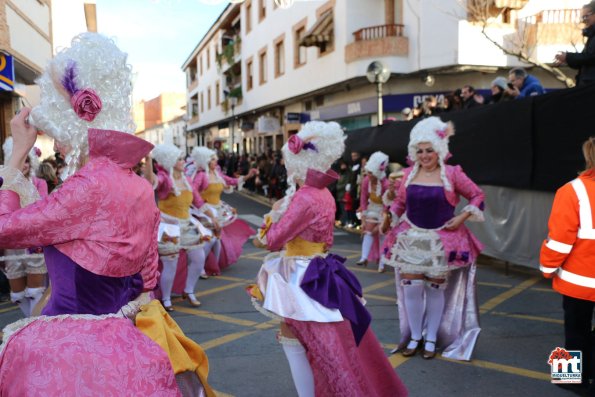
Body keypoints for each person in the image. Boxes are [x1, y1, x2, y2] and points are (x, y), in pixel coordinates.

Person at [0, 33, 213, 396]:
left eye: (57, 130)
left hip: (72, 356)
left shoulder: (87, 187)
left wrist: (16, 153)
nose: (58, 143)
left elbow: (5, 230)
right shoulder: (137, 186)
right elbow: (146, 279)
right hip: (126, 345)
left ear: (74, 123)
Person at [248, 121, 407, 397]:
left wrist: (273, 215)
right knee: (307, 339)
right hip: (318, 268)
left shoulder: (303, 198)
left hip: (300, 275)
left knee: (298, 341)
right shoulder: (323, 194)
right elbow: (325, 238)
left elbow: (272, 240)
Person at [385, 116, 485, 361]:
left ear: (439, 150)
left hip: (442, 241)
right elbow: (399, 203)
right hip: (412, 238)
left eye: (429, 150)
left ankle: (431, 339)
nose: (424, 155)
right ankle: (415, 336)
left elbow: (477, 196)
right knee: (411, 289)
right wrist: (390, 215)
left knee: (434, 289)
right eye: (419, 151)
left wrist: (462, 217)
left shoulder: (452, 173)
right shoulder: (407, 175)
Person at [540, 136, 595, 396]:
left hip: (580, 283)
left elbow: (559, 242)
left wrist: (547, 269)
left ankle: (571, 379)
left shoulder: (572, 191)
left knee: (575, 332)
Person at [150, 143, 215, 311]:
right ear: (170, 161)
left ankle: (189, 290)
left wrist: (213, 218)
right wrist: (148, 161)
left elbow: (199, 201)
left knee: (199, 258)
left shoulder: (187, 180)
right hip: (169, 227)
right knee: (170, 264)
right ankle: (166, 298)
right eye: (179, 159)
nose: (182, 161)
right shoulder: (165, 179)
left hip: (187, 225)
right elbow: (152, 181)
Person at [190, 146, 256, 275]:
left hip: (218, 210)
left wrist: (248, 175)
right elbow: (193, 192)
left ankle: (214, 265)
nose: (216, 162)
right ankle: (201, 266)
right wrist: (203, 208)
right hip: (205, 211)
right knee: (210, 239)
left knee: (217, 239)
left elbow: (232, 181)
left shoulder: (217, 174)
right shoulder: (201, 176)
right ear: (206, 161)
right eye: (213, 159)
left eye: (216, 159)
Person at [1, 137, 47, 317]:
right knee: (18, 294)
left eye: (27, 160)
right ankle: (29, 322)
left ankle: (32, 327)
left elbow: (41, 208)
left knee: (36, 292)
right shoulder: (4, 184)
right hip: (11, 246)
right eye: (20, 159)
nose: (24, 164)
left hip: (33, 243)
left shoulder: (39, 183)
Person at [356, 151, 391, 272]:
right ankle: (363, 257)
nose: (368, 174)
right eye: (368, 172)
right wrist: (363, 218)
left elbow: (389, 205)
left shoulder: (386, 184)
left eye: (371, 172)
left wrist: (382, 222)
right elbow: (363, 198)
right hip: (372, 208)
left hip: (384, 210)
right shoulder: (366, 181)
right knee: (368, 230)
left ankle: (382, 263)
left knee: (381, 234)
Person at [554, 1, 595, 87]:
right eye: (583, 17)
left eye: (586, 16)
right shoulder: (591, 36)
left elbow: (591, 57)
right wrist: (567, 60)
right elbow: (585, 60)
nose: (584, 20)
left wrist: (568, 57)